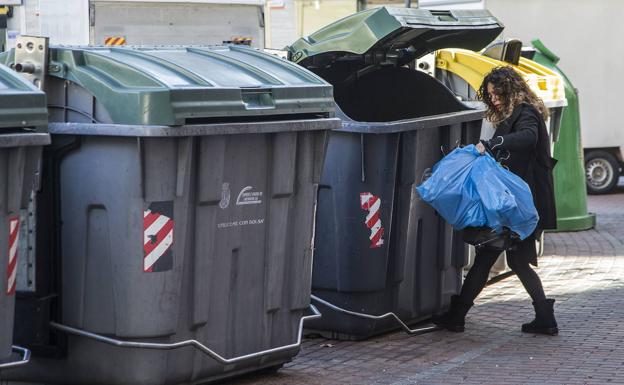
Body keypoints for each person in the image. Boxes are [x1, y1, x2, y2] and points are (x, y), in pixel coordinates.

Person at [433, 66, 559, 336]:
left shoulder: (526, 113)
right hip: (513, 203)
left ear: (510, 89)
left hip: (521, 205)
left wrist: (494, 143)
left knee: (495, 257)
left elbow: (528, 137)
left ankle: (458, 316)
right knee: (505, 259)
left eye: (497, 93)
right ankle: (544, 317)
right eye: (490, 95)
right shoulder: (516, 112)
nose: (494, 100)